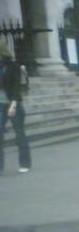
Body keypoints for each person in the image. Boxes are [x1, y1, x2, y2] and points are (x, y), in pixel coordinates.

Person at [0, 40, 31, 174]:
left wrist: (13, 105)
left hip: (13, 104)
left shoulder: (13, 66)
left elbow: (16, 87)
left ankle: (25, 163)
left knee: (19, 134)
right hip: (0, 105)